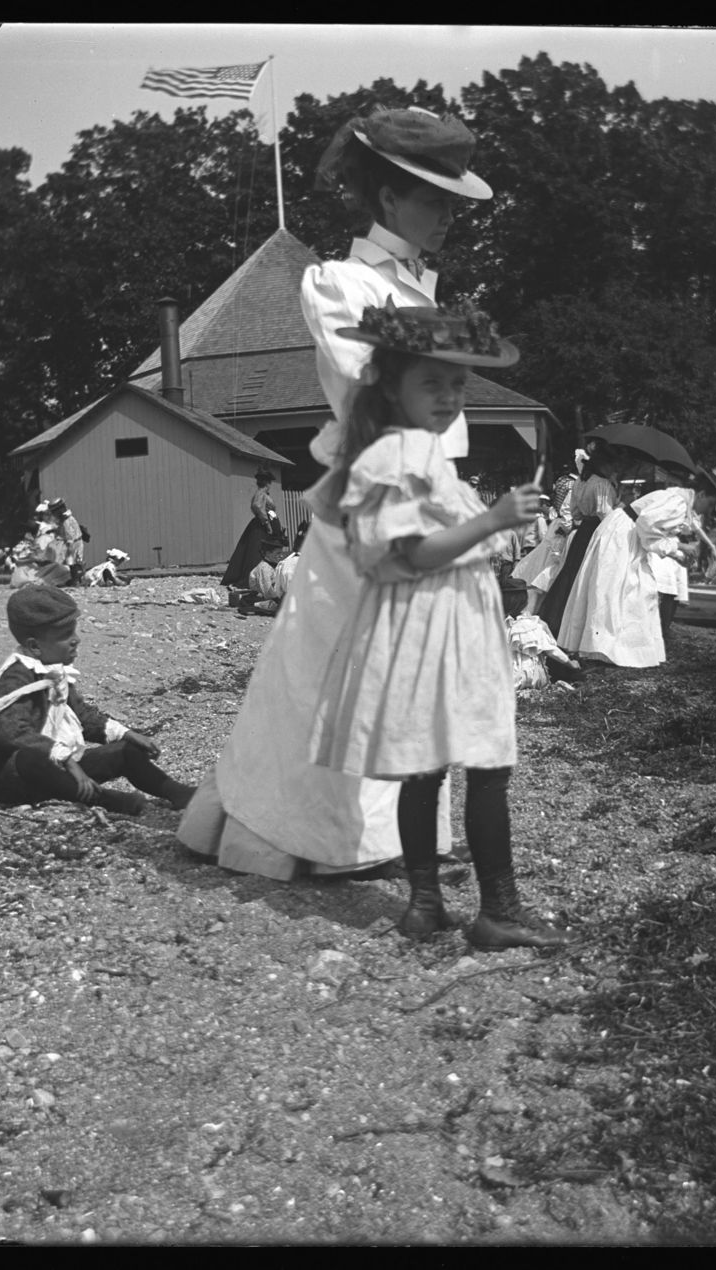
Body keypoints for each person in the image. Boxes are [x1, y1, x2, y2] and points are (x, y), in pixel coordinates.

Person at [178, 105, 495, 880]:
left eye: (455, 199)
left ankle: (384, 840)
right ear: (387, 200)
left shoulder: (425, 291)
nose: (450, 214)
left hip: (423, 495)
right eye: (434, 197)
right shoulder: (341, 283)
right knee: (326, 667)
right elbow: (369, 396)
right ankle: (291, 831)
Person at [307, 302, 568, 950]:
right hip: (429, 622)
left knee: (426, 766)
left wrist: (498, 522)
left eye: (457, 384)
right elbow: (404, 553)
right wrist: (490, 520)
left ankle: (427, 904)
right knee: (480, 761)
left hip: (447, 619)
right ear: (392, 384)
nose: (450, 397)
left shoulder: (418, 454)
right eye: (433, 383)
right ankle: (490, 908)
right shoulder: (390, 459)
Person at [0, 584, 196, 815]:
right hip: (14, 777)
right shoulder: (16, 678)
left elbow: (82, 715)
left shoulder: (54, 671)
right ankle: (106, 800)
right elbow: (13, 733)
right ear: (34, 646)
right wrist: (67, 761)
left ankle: (175, 791)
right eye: (66, 634)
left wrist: (127, 734)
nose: (76, 639)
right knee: (31, 757)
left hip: (60, 766)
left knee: (126, 751)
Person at [556, 468, 716, 668]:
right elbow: (647, 525)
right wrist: (679, 546)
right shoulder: (678, 502)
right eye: (709, 503)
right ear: (700, 495)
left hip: (627, 533)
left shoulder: (678, 499)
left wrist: (677, 554)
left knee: (630, 591)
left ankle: (614, 649)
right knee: (617, 590)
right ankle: (605, 648)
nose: (707, 510)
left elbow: (653, 531)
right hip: (623, 535)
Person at [536, 446, 624, 637]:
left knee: (572, 574)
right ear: (605, 465)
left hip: (583, 530)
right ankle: (583, 627)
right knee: (592, 577)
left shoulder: (580, 483)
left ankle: (560, 622)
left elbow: (575, 512)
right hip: (599, 531)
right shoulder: (602, 484)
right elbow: (605, 514)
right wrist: (619, 505)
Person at [220, 471, 284, 591]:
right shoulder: (261, 493)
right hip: (263, 526)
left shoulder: (264, 493)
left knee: (266, 549)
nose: (270, 485)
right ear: (266, 483)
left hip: (266, 523)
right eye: (269, 482)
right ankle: (253, 577)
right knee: (258, 550)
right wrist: (266, 523)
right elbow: (257, 506)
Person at [48, 498, 86, 585]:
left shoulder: (66, 521)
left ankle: (76, 580)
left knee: (74, 562)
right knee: (71, 562)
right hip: (74, 541)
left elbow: (70, 534)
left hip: (74, 542)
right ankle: (75, 579)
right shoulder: (66, 519)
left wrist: (69, 546)